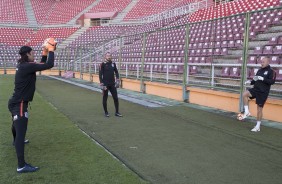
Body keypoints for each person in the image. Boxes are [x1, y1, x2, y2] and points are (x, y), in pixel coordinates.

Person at [8, 38, 56, 173]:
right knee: (21, 134)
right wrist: (51, 50)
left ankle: (15, 141)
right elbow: (49, 65)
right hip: (20, 104)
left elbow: (40, 63)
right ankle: (21, 165)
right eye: (33, 52)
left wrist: (44, 52)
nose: (34, 54)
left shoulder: (24, 65)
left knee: (15, 126)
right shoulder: (27, 66)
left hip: (15, 102)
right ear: (28, 54)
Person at [242, 56, 276, 132]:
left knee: (259, 109)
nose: (262, 63)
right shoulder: (259, 70)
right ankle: (247, 112)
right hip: (255, 89)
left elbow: (272, 82)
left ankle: (257, 126)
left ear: (268, 62)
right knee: (244, 94)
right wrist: (250, 82)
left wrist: (263, 79)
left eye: (263, 62)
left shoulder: (272, 71)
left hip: (263, 92)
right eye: (261, 62)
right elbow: (255, 79)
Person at [99, 52, 122, 117]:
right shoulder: (102, 64)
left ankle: (117, 112)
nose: (109, 57)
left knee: (116, 98)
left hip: (112, 84)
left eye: (110, 55)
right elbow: (100, 75)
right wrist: (101, 83)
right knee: (105, 98)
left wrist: (117, 79)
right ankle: (106, 112)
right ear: (105, 56)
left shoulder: (113, 63)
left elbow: (116, 72)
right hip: (105, 84)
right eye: (107, 55)